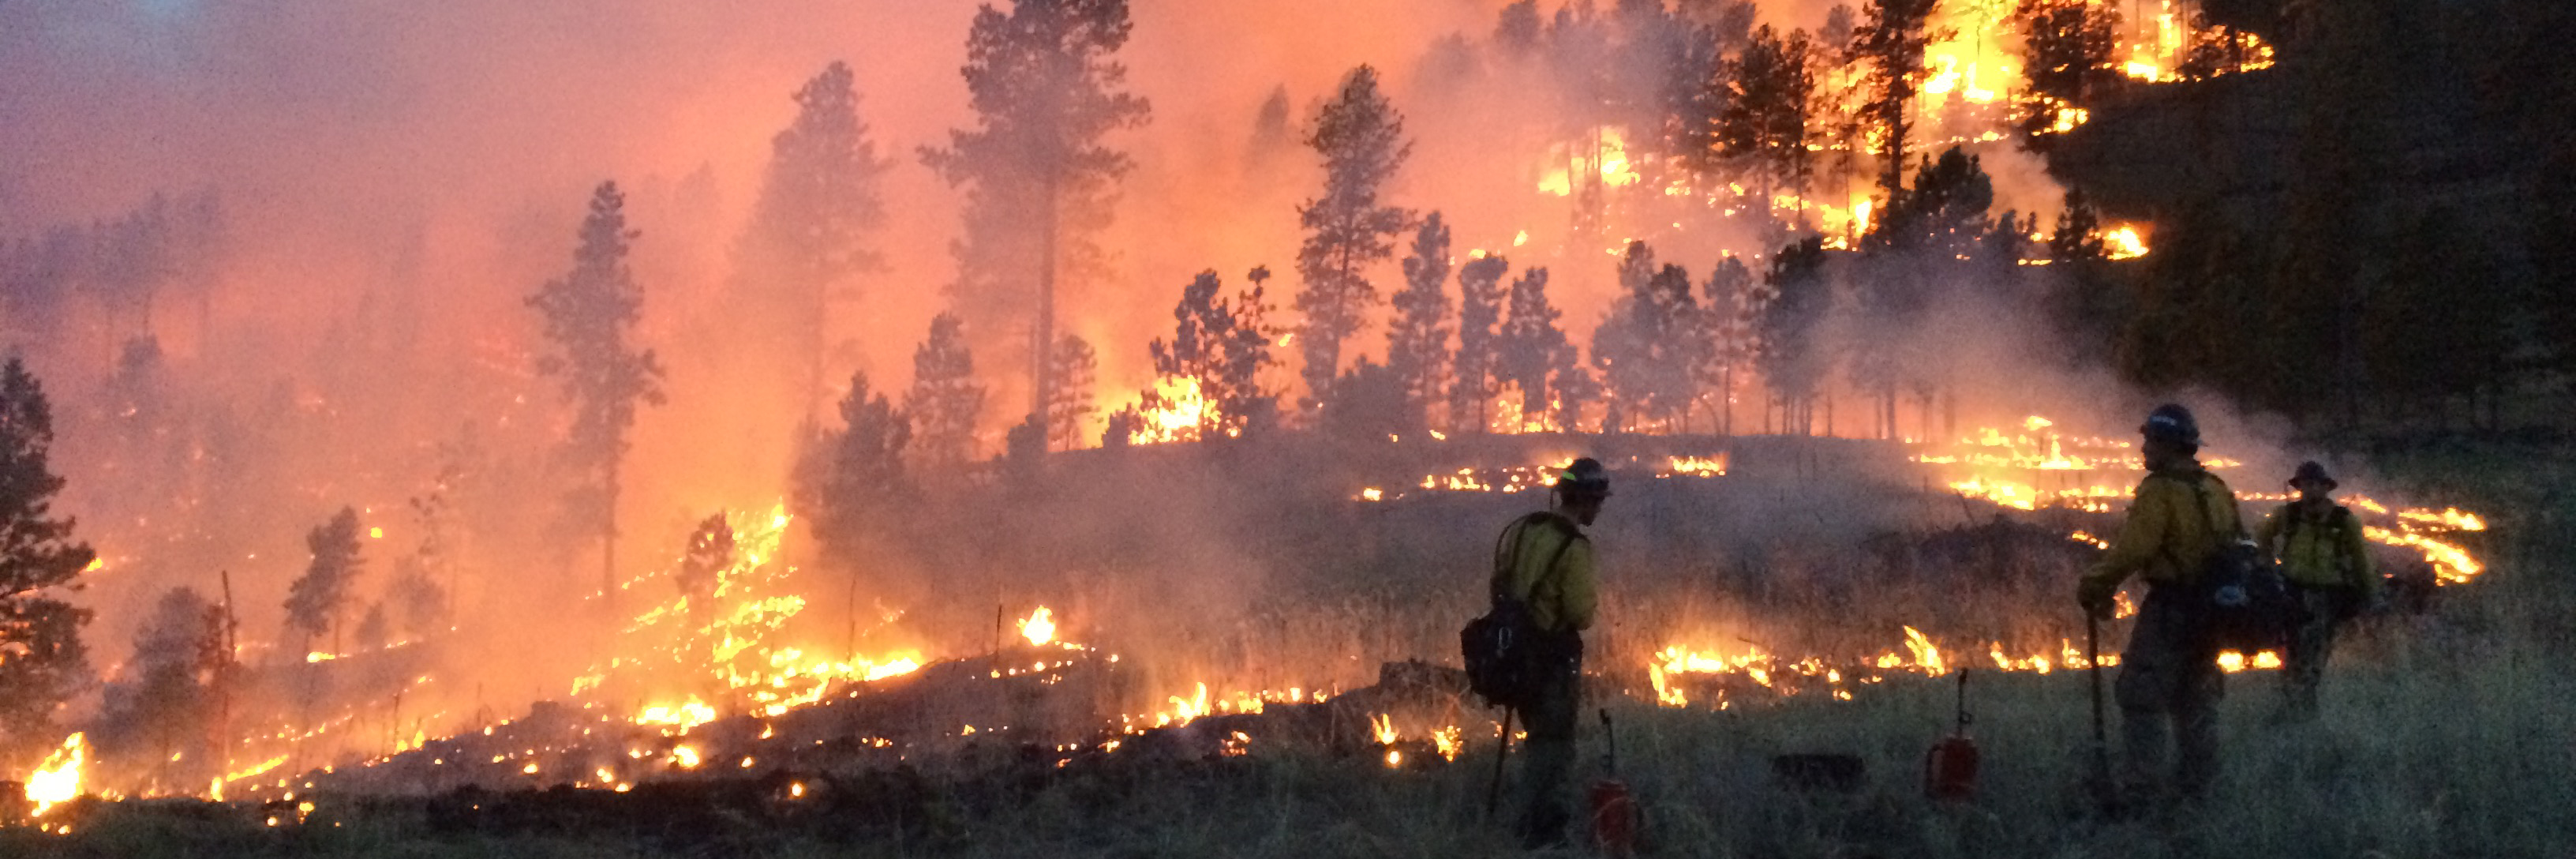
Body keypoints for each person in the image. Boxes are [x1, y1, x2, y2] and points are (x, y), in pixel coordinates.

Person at [2076, 404, 2241, 799]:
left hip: (2171, 609)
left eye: (2149, 441)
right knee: (2195, 698)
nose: (2143, 450)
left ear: (2168, 444)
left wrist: (2094, 585)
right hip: (2212, 612)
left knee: (2142, 695)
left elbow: (2134, 549)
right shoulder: (2215, 488)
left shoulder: (2160, 490)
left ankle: (2142, 791)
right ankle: (2198, 790)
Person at [1491, 458, 1608, 849]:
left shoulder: (1521, 530)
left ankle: (1528, 819)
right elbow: (1581, 614)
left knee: (1535, 734)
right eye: (1598, 501)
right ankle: (1541, 830)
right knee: (1554, 744)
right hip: (1551, 661)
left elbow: (1499, 583)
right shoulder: (1575, 547)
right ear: (1586, 500)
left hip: (1511, 654)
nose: (1600, 509)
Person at [2255, 461, 2377, 722]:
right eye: (2304, 485)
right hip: (2292, 594)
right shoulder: (2287, 515)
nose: (2309, 490)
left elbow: (2361, 561)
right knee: (2291, 653)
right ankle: (2292, 709)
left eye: (2314, 485)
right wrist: (2267, 566)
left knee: (2314, 658)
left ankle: (2304, 711)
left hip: (2327, 597)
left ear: (2325, 487)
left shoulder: (2344, 521)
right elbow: (2262, 535)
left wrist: (2368, 594)